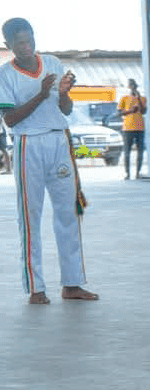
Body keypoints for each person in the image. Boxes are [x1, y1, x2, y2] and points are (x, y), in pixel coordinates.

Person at [0, 17, 97, 304]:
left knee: (69, 213)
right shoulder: (5, 74)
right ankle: (36, 288)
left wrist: (64, 94)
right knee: (30, 218)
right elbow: (9, 119)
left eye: (30, 40)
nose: (28, 47)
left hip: (59, 140)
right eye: (20, 43)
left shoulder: (53, 63)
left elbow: (65, 110)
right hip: (28, 142)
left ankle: (72, 283)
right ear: (9, 46)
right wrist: (42, 94)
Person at [117, 78, 147, 180]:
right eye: (131, 85)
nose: (132, 87)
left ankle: (138, 172)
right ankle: (127, 173)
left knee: (140, 150)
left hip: (140, 127)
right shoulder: (124, 98)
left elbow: (144, 111)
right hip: (128, 128)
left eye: (134, 85)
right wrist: (131, 111)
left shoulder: (142, 98)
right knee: (127, 151)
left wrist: (138, 98)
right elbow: (120, 112)